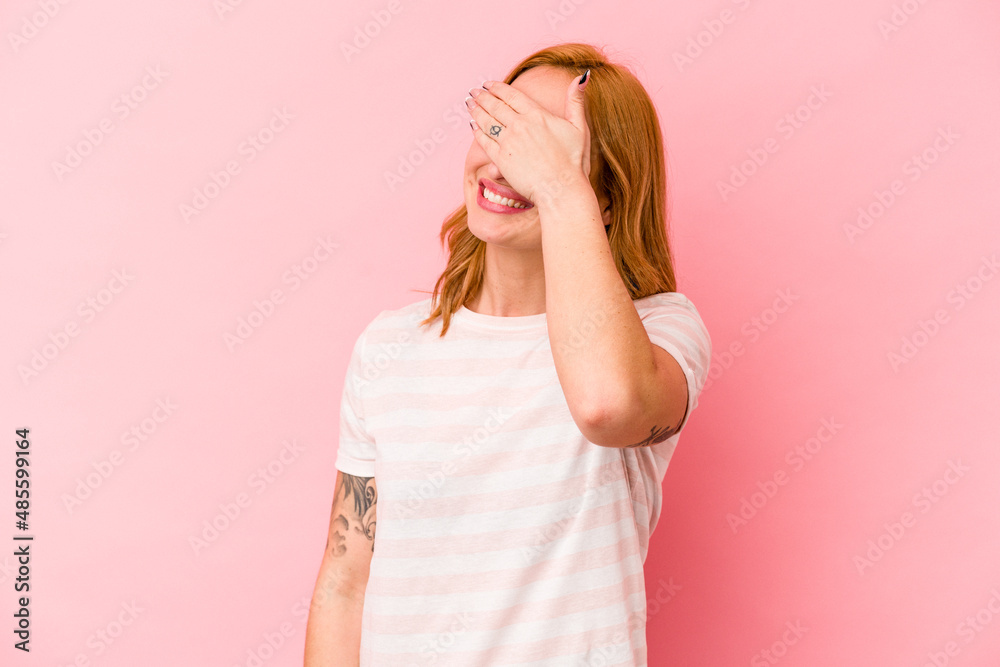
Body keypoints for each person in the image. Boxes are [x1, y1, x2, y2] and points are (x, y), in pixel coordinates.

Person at [304, 42, 712, 667]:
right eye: (500, 128)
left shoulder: (659, 331)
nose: (505, 165)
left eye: (545, 147)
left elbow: (607, 408)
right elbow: (345, 578)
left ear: (606, 197)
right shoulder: (388, 347)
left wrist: (558, 187)